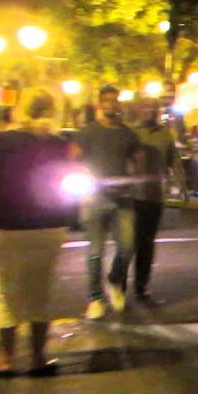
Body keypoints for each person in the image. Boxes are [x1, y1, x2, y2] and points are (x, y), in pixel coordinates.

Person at [0, 88, 77, 377]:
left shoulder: (1, 143)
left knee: (5, 292)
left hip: (6, 224)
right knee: (41, 291)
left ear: (19, 110)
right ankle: (39, 357)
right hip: (49, 225)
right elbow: (70, 183)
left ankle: (5, 359)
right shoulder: (60, 145)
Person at [75, 85, 142, 320]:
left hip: (122, 197)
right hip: (94, 197)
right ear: (100, 103)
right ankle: (95, 298)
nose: (112, 105)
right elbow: (72, 159)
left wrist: (134, 180)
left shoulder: (128, 134)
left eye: (116, 100)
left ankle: (114, 280)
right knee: (95, 251)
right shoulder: (87, 133)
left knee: (127, 246)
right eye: (108, 101)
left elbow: (138, 159)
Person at [130, 98, 184, 307]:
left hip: (153, 196)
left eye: (155, 109)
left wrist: (182, 188)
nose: (151, 112)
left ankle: (141, 286)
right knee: (127, 243)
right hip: (132, 195)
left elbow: (174, 161)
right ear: (140, 110)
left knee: (146, 243)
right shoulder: (130, 133)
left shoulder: (165, 135)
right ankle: (118, 284)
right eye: (148, 108)